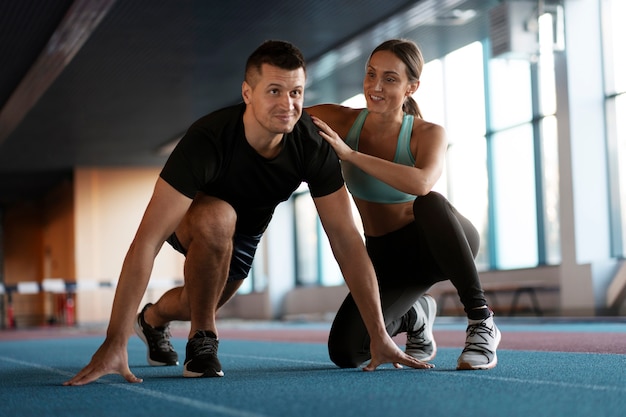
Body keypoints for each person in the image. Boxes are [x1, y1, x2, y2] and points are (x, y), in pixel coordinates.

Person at [64, 40, 433, 386]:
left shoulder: (309, 143)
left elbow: (346, 240)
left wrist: (379, 334)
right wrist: (114, 340)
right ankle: (203, 339)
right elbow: (146, 242)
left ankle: (152, 319)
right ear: (247, 94)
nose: (287, 104)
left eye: (296, 93)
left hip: (243, 239)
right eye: (274, 91)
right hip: (193, 220)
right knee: (218, 217)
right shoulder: (208, 140)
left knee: (196, 299)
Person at [306, 38, 501, 370]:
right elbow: (285, 116)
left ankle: (482, 322)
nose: (375, 86)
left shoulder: (427, 133)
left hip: (436, 242)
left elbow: (422, 182)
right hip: (386, 258)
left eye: (390, 79)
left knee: (429, 202)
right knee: (346, 351)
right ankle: (416, 315)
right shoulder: (340, 121)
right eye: (370, 75)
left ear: (412, 87)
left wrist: (351, 156)